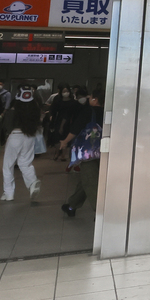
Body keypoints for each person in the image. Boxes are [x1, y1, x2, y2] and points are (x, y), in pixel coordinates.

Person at [60, 87, 103, 218]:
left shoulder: (88, 111)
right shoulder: (111, 112)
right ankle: (71, 205)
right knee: (86, 179)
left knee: (90, 181)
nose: (89, 99)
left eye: (91, 97)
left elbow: (76, 129)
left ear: (95, 100)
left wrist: (65, 141)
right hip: (106, 151)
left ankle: (102, 214)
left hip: (89, 152)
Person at [1, 85, 42, 201]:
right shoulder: (35, 108)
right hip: (29, 137)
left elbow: (6, 124)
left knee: (8, 166)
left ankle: (8, 193)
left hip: (15, 136)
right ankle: (32, 183)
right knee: (25, 163)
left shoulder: (15, 108)